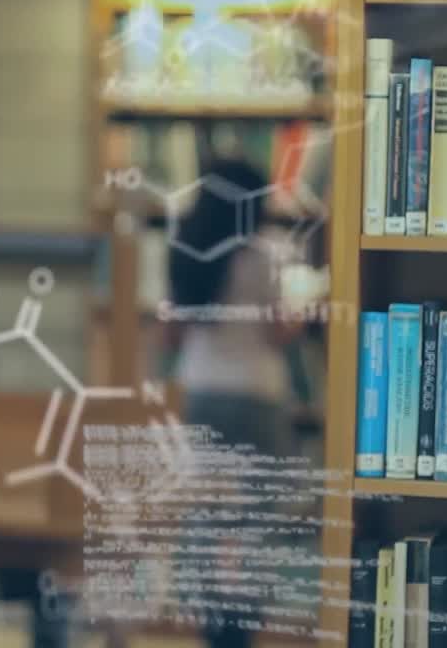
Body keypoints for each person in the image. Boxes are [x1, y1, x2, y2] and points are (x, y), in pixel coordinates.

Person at [165, 158, 305, 648]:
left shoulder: (186, 252)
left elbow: (171, 333)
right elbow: (276, 331)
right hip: (257, 397)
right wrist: (306, 316)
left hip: (202, 392)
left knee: (207, 517)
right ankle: (241, 628)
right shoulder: (264, 254)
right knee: (256, 520)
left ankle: (210, 624)